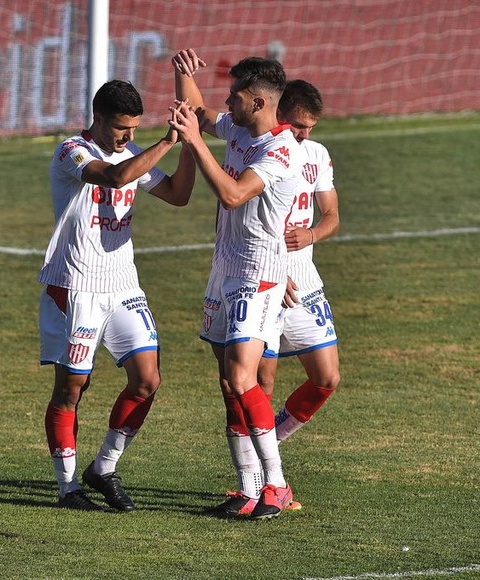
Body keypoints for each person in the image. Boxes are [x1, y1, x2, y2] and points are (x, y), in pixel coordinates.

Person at [39, 80, 196, 511]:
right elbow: (112, 178)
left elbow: (179, 196)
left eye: (133, 129)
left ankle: (104, 467)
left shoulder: (132, 153)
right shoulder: (72, 150)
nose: (128, 137)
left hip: (123, 284)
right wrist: (166, 140)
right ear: (99, 118)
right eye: (121, 129)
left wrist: (189, 145)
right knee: (71, 388)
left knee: (147, 381)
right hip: (76, 285)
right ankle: (68, 489)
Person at [169, 48, 303, 519]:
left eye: (235, 98)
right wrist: (184, 76)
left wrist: (195, 142)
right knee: (229, 383)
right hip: (223, 270)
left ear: (259, 102)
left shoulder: (280, 151)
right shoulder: (239, 128)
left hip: (257, 275)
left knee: (243, 378)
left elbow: (231, 195)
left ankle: (276, 485)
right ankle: (247, 489)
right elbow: (200, 116)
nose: (226, 105)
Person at [258, 78, 341, 474]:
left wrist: (311, 234)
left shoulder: (317, 155)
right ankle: (258, 478)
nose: (304, 135)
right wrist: (273, 270)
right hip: (265, 277)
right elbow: (243, 220)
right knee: (261, 384)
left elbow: (332, 217)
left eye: (310, 128)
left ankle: (268, 444)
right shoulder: (262, 153)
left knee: (326, 378)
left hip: (305, 279)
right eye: (297, 126)